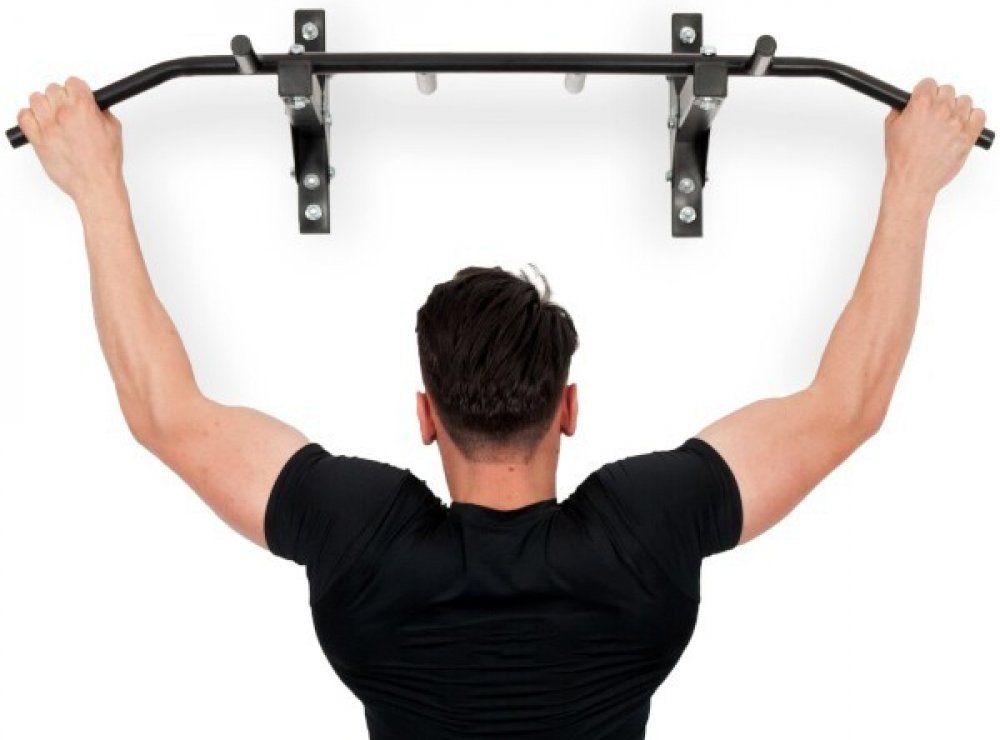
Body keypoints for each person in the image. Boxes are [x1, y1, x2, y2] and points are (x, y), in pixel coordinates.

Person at [15, 76, 986, 740]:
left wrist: (93, 180)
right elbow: (848, 403)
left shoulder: (365, 538)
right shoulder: (643, 532)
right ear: (569, 407)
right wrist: (913, 177)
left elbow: (164, 411)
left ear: (424, 414)